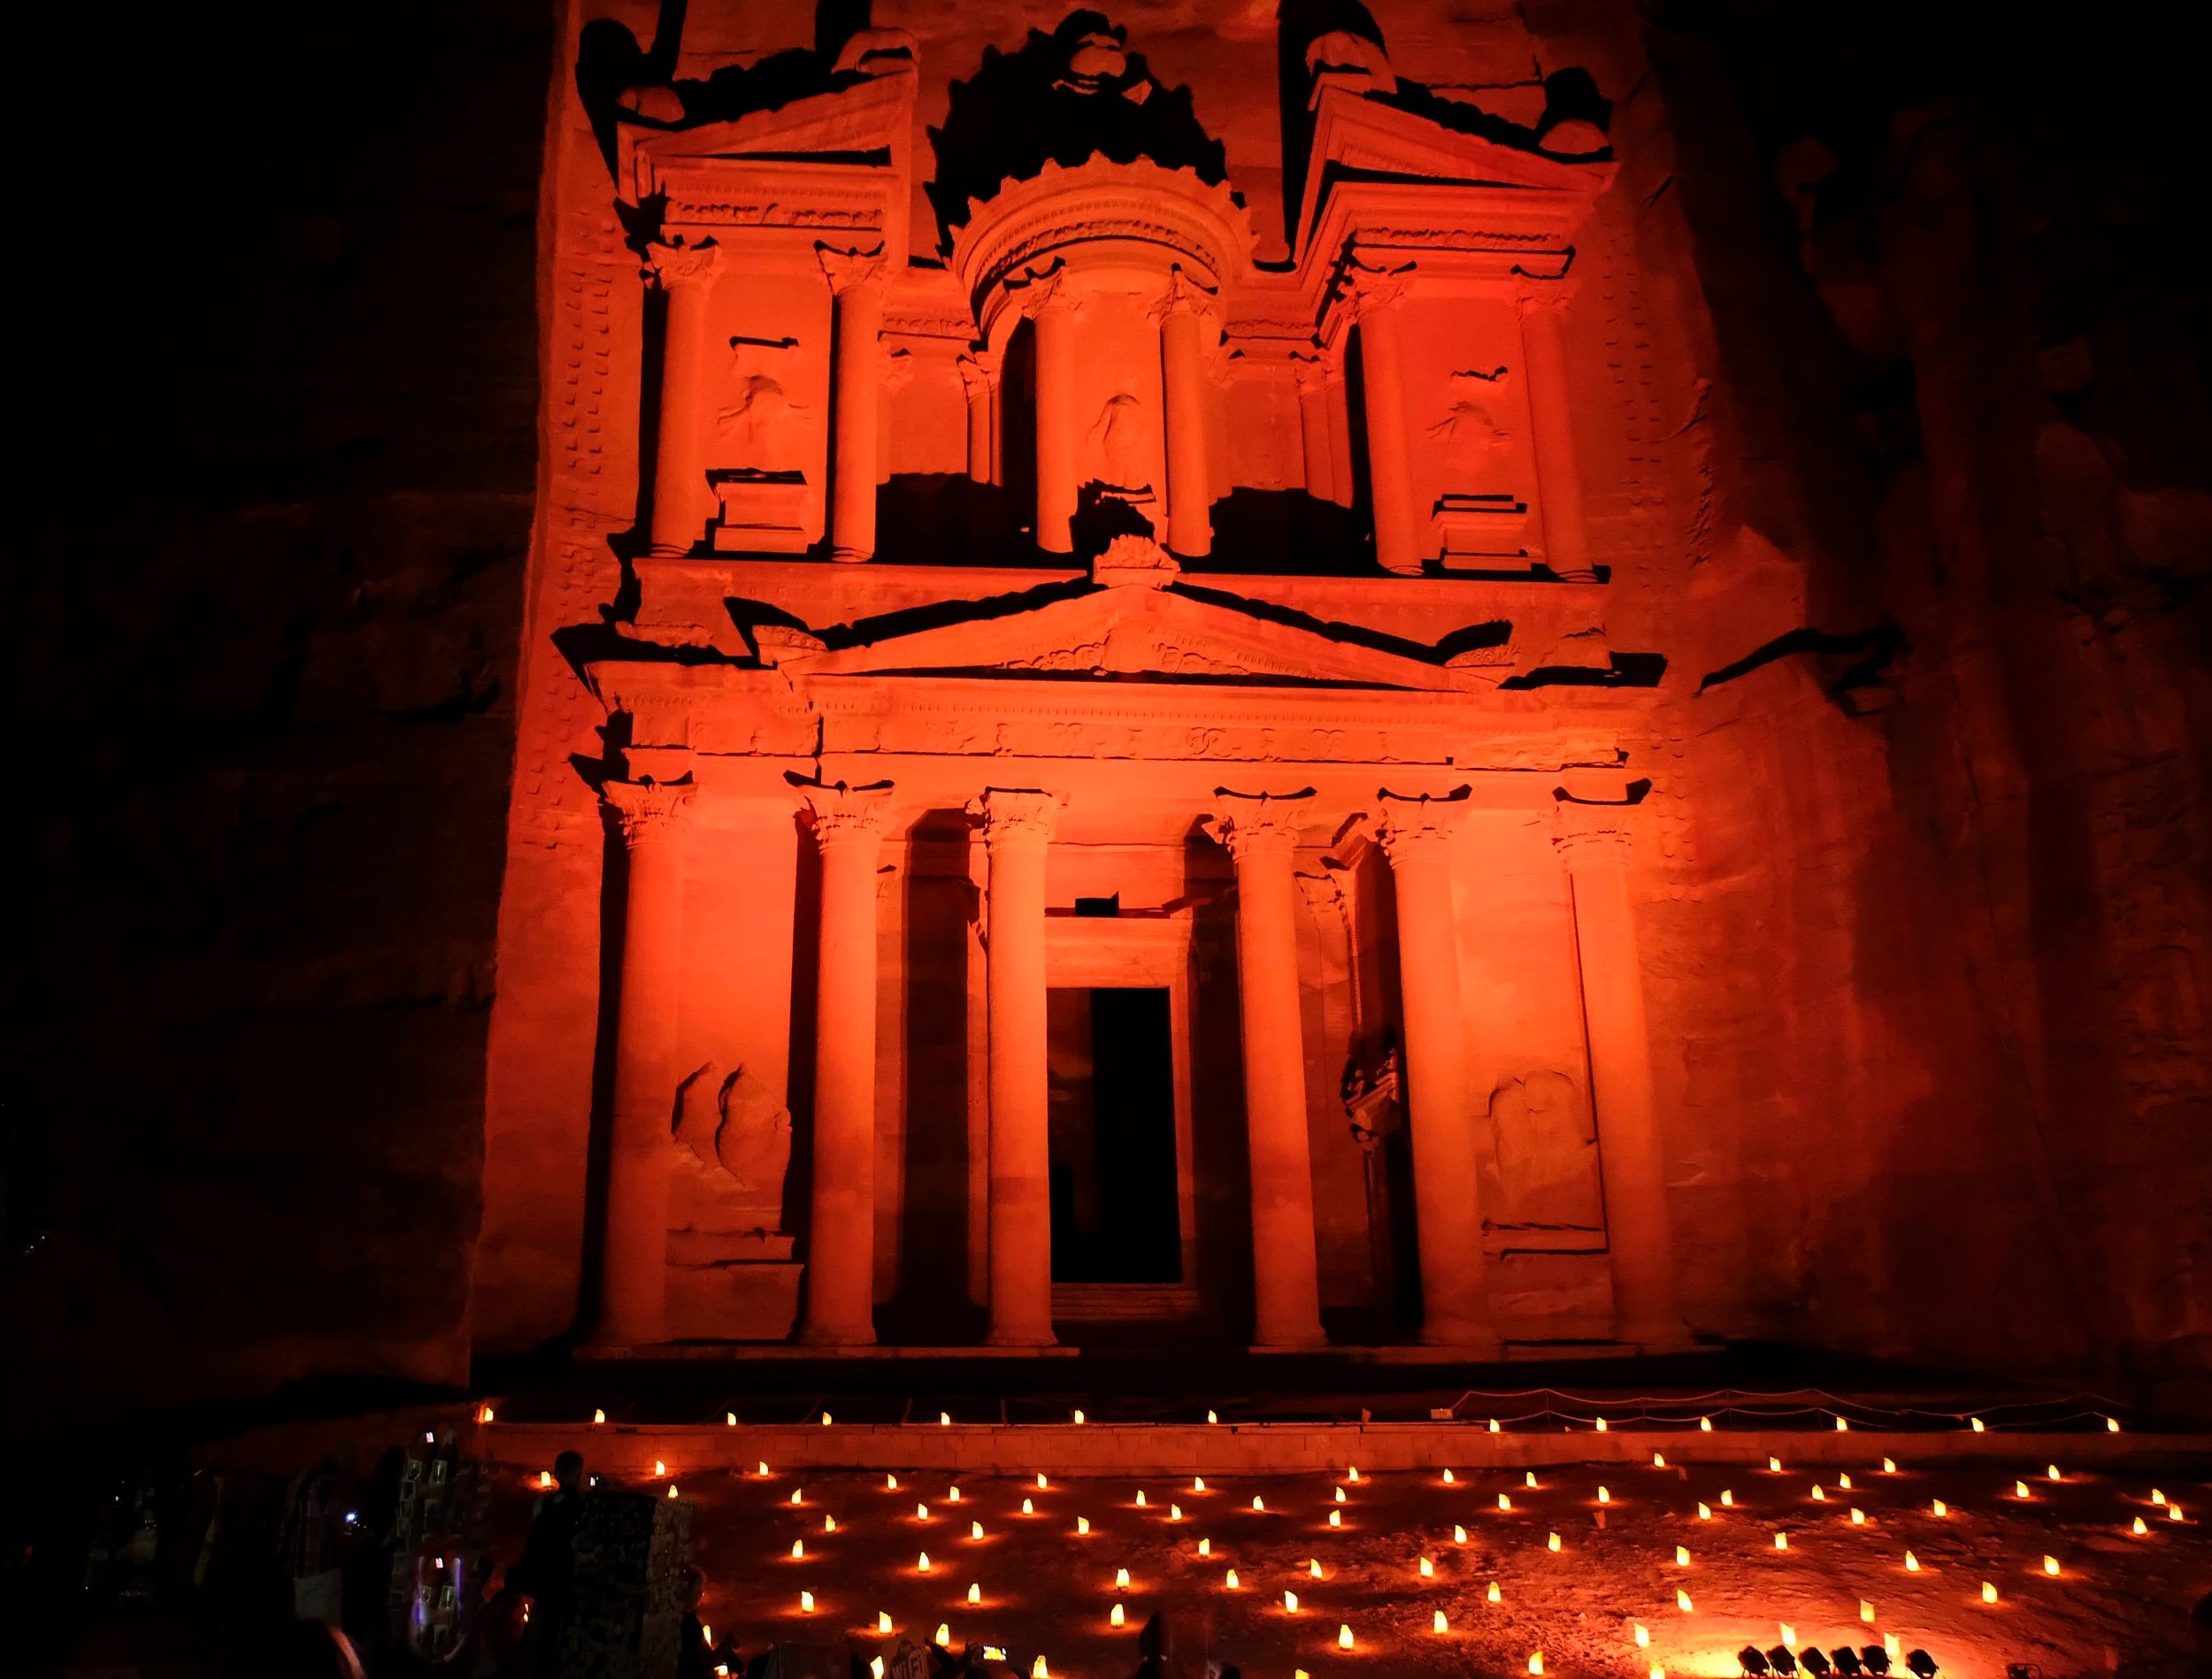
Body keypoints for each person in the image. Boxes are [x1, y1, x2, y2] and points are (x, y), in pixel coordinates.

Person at [516, 1452, 584, 1676]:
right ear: (576, 1474)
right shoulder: (579, 1505)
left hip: (542, 1584)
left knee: (539, 1643)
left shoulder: (543, 1505)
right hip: (563, 1584)